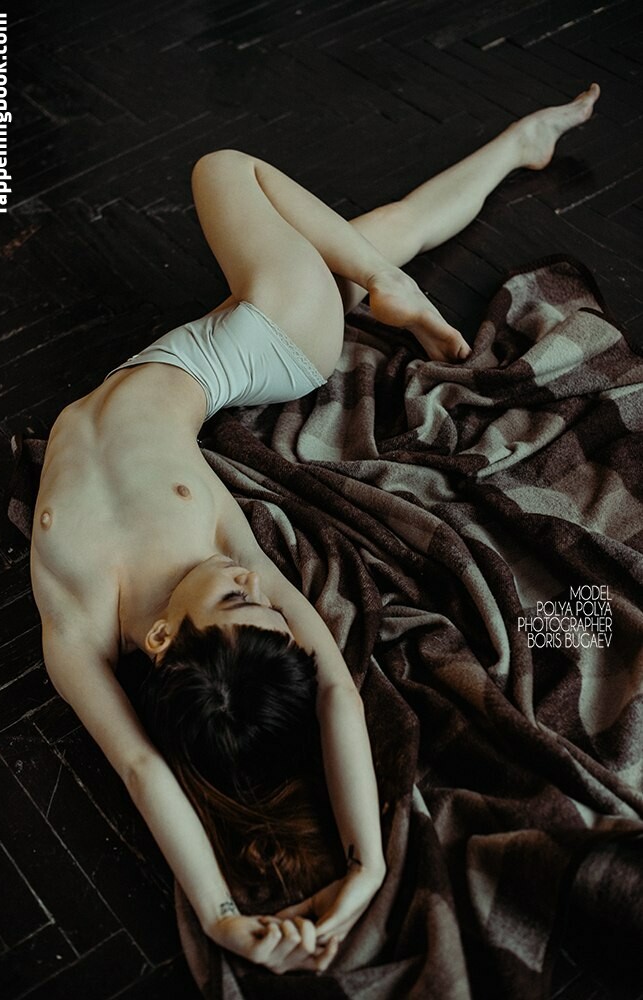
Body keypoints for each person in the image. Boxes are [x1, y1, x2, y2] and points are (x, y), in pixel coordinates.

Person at [30, 84, 601, 976]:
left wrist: (221, 914)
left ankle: (507, 155)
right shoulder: (222, 557)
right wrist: (365, 863)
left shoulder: (77, 619)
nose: (253, 579)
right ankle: (391, 283)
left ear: (162, 641)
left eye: (236, 598)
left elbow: (141, 767)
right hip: (277, 340)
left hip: (211, 342)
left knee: (378, 231)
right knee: (227, 171)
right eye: (257, 595)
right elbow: (335, 686)